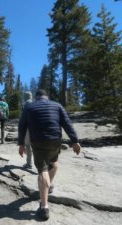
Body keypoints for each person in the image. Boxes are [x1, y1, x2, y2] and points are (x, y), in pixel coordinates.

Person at [18, 89, 81, 221]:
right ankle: (49, 185)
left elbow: (22, 125)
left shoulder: (29, 107)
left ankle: (44, 207)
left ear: (36, 97)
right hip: (54, 141)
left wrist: (22, 144)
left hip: (38, 141)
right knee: (54, 163)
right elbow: (67, 123)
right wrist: (74, 141)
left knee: (42, 171)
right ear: (47, 97)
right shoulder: (57, 105)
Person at [22, 91, 33, 169]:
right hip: (37, 128)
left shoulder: (25, 104)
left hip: (28, 127)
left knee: (28, 145)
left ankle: (29, 163)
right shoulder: (35, 103)